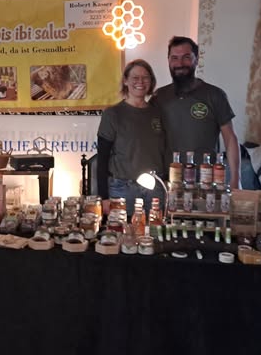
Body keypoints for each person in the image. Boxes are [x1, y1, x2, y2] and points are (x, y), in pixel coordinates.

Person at [153, 36, 241, 189]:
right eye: (174, 58)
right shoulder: (159, 97)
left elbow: (230, 138)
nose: (180, 63)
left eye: (186, 57)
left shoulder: (215, 95)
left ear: (196, 59)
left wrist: (236, 179)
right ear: (168, 60)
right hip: (168, 183)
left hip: (206, 183)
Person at [96, 59, 166, 218]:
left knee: (153, 231)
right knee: (124, 232)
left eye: (145, 77)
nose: (140, 82)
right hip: (122, 189)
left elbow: (164, 151)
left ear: (151, 81)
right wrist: (104, 197)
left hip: (155, 189)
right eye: (135, 77)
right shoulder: (112, 114)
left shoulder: (158, 113)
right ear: (125, 81)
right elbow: (102, 158)